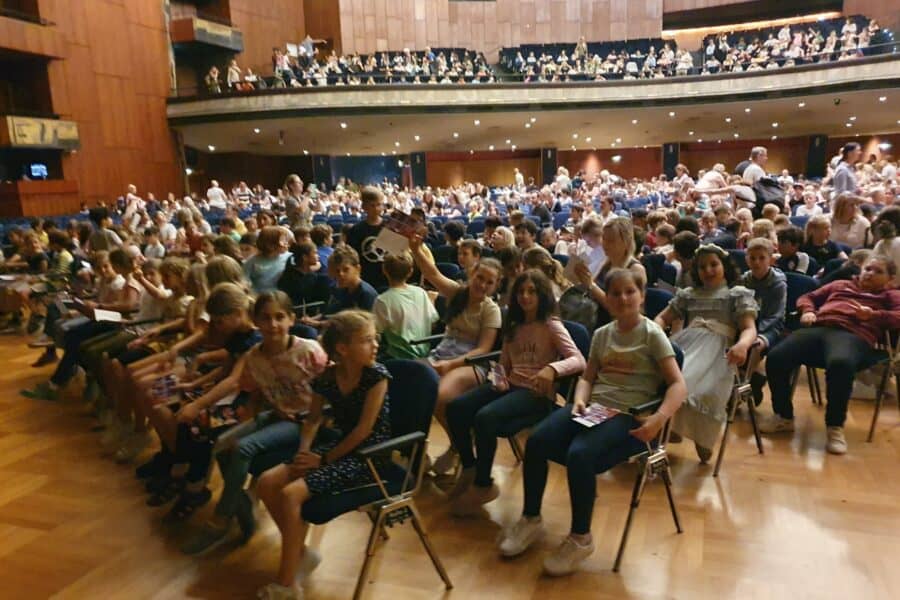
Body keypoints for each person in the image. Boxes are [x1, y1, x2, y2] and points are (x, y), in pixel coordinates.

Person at [497, 268, 685, 575]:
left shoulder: (652, 334)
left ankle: (581, 537)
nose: (623, 298)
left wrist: (659, 419)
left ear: (642, 296)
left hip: (629, 414)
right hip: (594, 407)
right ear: (606, 298)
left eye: (630, 292)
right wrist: (581, 399)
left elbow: (678, 385)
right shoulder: (602, 334)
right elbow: (587, 378)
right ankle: (531, 517)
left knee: (579, 454)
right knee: (537, 440)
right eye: (615, 293)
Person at [255, 310, 391, 600]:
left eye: (374, 339)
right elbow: (313, 419)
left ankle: (287, 584)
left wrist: (323, 460)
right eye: (367, 340)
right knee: (266, 482)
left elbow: (363, 431)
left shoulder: (376, 376)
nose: (375, 345)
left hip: (369, 456)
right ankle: (300, 552)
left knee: (291, 494)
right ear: (343, 348)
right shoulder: (328, 377)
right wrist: (304, 451)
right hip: (339, 447)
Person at [181, 291, 328, 555]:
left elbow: (331, 391)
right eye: (266, 318)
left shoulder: (309, 351)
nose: (273, 325)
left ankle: (220, 520)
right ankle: (244, 513)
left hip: (305, 421)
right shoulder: (254, 356)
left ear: (291, 319)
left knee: (243, 448)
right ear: (256, 321)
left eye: (279, 317)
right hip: (278, 414)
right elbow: (255, 388)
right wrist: (249, 416)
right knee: (221, 445)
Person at [446, 270, 585, 516]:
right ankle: (469, 466)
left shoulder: (551, 325)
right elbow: (503, 364)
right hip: (511, 385)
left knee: (485, 417)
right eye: (521, 291)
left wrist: (552, 369)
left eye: (532, 291)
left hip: (536, 393)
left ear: (542, 295)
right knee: (456, 408)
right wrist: (498, 380)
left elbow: (578, 360)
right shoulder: (514, 325)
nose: (525, 296)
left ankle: (483, 485)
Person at [761, 256, 900, 455]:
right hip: (819, 327)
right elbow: (808, 297)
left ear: (890, 279)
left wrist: (873, 315)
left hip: (853, 335)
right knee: (777, 357)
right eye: (868, 268)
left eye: (878, 271)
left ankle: (835, 427)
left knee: (840, 364)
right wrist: (808, 310)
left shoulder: (890, 295)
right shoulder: (840, 285)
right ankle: (783, 416)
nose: (870, 273)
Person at [654, 244, 758, 462]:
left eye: (713, 264)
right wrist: (656, 331)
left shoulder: (735, 294)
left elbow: (749, 328)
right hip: (686, 345)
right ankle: (668, 429)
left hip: (718, 353)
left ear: (724, 266)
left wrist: (743, 345)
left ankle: (700, 435)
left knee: (695, 387)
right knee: (665, 378)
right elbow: (663, 317)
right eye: (702, 267)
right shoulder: (689, 294)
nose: (708, 270)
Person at [409, 235, 502, 473]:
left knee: (438, 396)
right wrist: (416, 249)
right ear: (472, 275)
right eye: (480, 278)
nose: (482, 285)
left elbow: (484, 350)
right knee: (409, 384)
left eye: (489, 282)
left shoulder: (491, 310)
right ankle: (416, 449)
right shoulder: (458, 293)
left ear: (495, 286)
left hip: (473, 362)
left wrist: (450, 365)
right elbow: (431, 273)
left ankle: (459, 444)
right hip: (443, 354)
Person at [738, 238, 787, 403]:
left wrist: (755, 331)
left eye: (761, 258)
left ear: (770, 259)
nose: (756, 262)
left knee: (755, 345)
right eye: (752, 258)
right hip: (747, 325)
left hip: (771, 327)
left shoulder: (778, 284)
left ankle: (745, 382)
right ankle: (753, 378)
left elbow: (776, 315)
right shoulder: (744, 280)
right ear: (747, 259)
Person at [372, 253, 438, 359]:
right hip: (425, 354)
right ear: (410, 272)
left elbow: (376, 332)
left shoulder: (382, 300)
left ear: (384, 270)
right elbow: (433, 323)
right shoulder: (421, 292)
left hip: (397, 357)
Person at [346, 186, 388, 290]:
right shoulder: (356, 230)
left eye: (379, 205)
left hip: (388, 277)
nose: (376, 209)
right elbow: (352, 257)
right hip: (366, 278)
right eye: (372, 205)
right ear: (364, 207)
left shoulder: (389, 227)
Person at [243, 226, 291, 294]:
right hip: (260, 297)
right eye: (282, 241)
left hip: (282, 297)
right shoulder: (252, 262)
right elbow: (244, 281)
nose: (286, 244)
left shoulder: (290, 258)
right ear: (270, 245)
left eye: (286, 240)